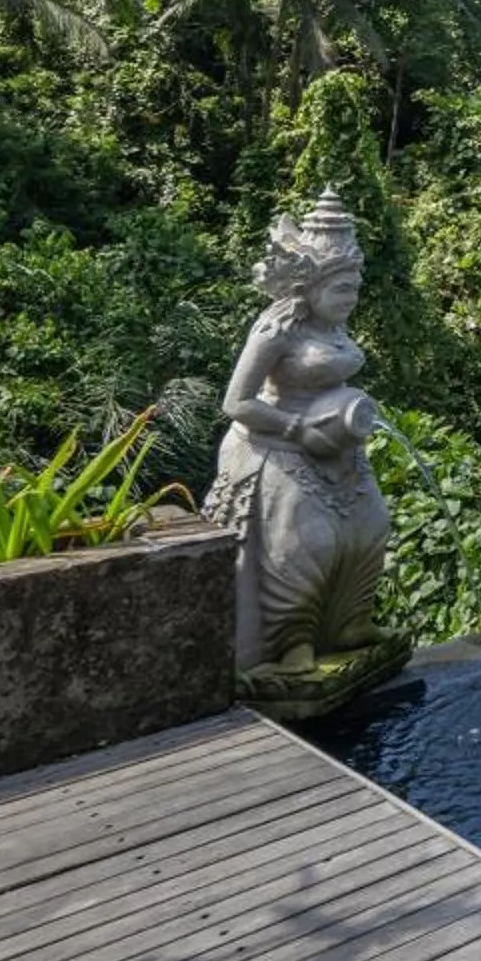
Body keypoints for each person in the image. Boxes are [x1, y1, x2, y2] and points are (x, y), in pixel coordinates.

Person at [207, 187, 393, 675]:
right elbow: (235, 402)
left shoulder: (334, 327)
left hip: (337, 447)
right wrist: (296, 428)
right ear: (310, 288)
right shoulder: (278, 328)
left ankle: (351, 621)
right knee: (307, 546)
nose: (350, 298)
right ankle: (294, 643)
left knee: (371, 528)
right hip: (279, 444)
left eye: (355, 287)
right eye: (340, 288)